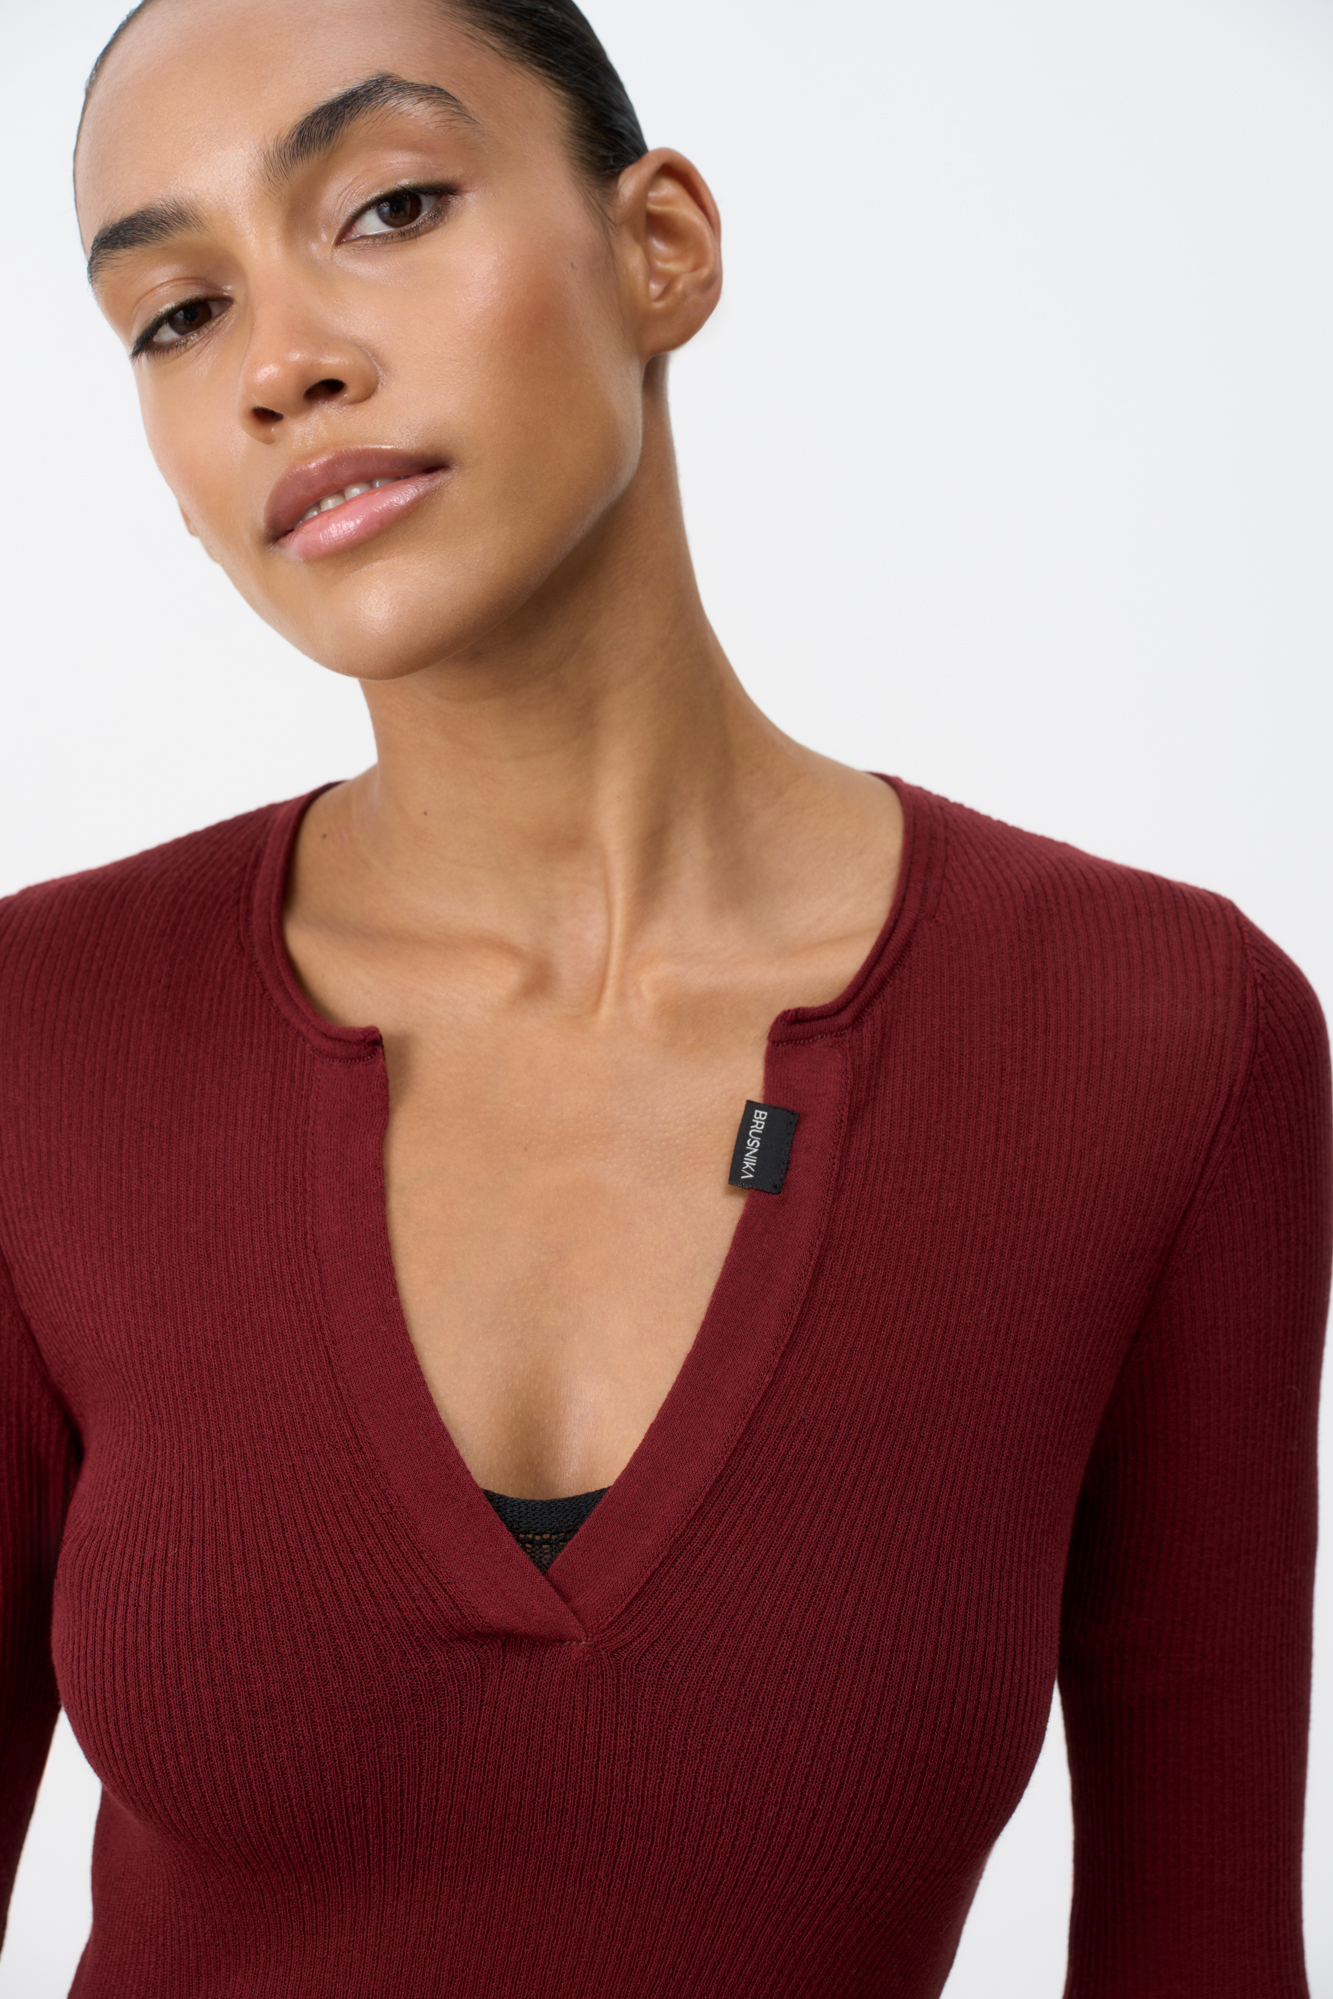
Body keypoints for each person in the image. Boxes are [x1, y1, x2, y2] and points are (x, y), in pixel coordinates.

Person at [0, 0, 1327, 1990]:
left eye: (389, 205)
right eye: (177, 315)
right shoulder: (41, 1042)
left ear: (661, 249)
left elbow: (1199, 1945)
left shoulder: (1160, 1037)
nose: (282, 363)